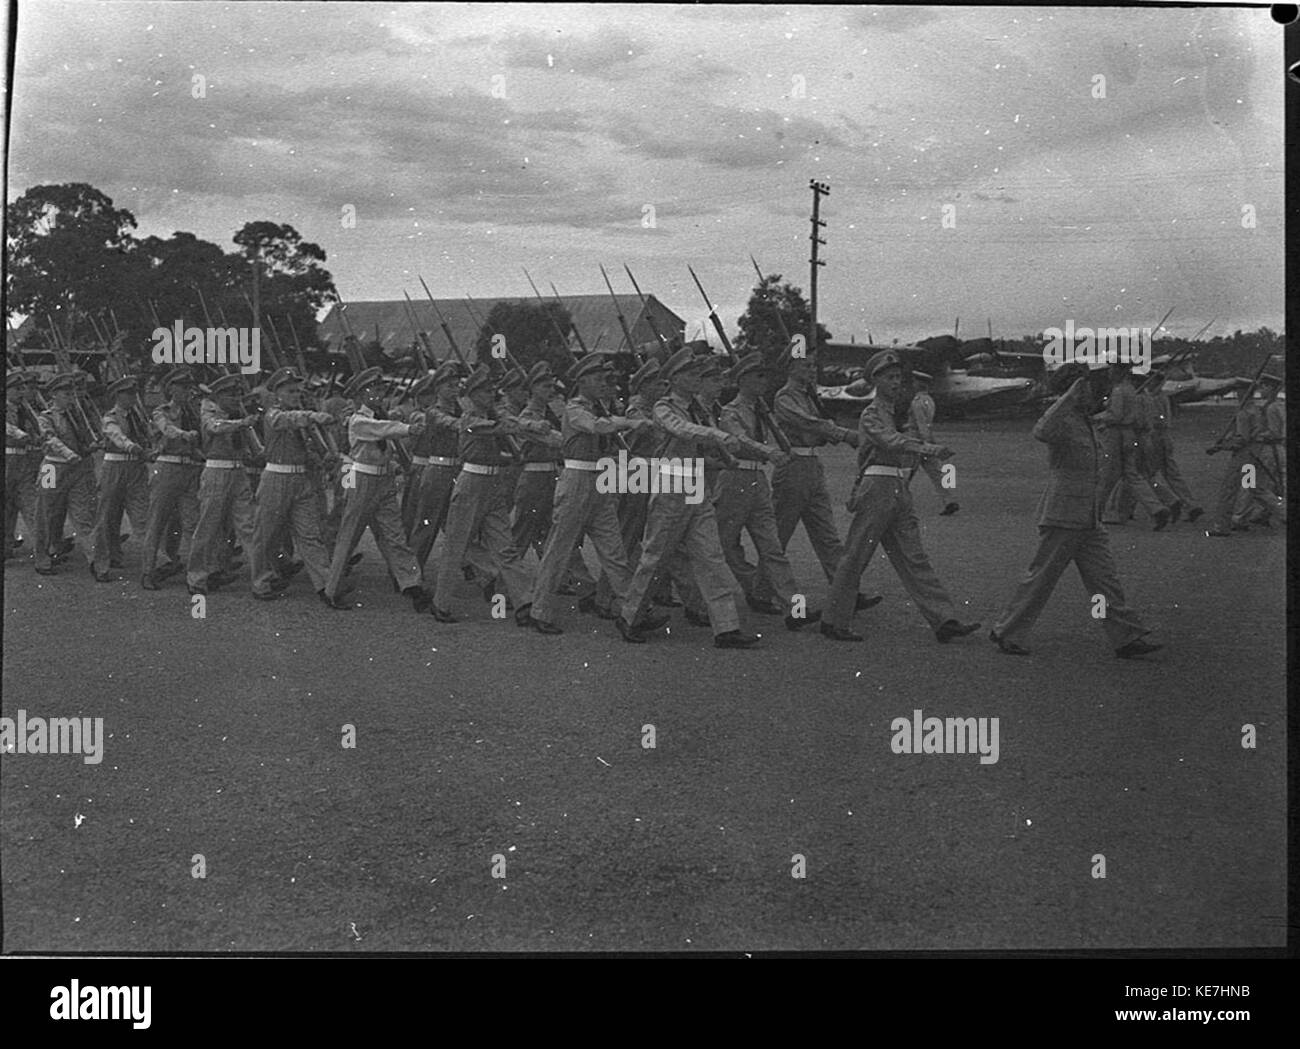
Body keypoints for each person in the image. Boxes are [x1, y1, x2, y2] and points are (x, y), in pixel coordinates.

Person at [989, 365, 1162, 658]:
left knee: (1105, 579)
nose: (1096, 392)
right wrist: (1068, 396)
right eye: (1088, 388)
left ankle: (1126, 637)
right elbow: (1041, 430)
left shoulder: (1085, 421)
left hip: (1088, 516)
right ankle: (1006, 631)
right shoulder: (1063, 420)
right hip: (1063, 514)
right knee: (1041, 578)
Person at [821, 351, 979, 643]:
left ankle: (944, 620)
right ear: (876, 381)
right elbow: (890, 441)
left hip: (897, 489)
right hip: (877, 488)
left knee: (915, 557)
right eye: (890, 377)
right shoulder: (871, 414)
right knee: (856, 556)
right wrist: (928, 449)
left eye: (898, 377)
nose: (896, 383)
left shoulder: (895, 413)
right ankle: (833, 620)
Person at [617, 348, 758, 648]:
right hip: (671, 483)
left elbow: (705, 437)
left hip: (695, 482)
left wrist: (726, 458)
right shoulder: (663, 408)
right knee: (656, 556)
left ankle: (726, 627)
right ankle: (630, 615)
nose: (697, 379)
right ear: (676, 378)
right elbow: (683, 430)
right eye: (692, 374)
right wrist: (718, 437)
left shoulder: (698, 409)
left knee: (711, 556)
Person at [520, 355, 660, 635]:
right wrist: (630, 423)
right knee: (559, 550)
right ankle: (540, 611)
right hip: (577, 481)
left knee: (614, 552)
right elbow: (598, 426)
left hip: (600, 481)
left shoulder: (600, 408)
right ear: (582, 382)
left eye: (603, 379)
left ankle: (633, 615)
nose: (602, 383)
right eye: (596, 379)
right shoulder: (575, 409)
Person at [715, 354, 820, 630]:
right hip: (734, 479)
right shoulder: (731, 411)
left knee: (773, 549)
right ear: (742, 380)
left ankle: (795, 610)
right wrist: (769, 452)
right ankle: (744, 588)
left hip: (758, 481)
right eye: (758, 376)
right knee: (723, 544)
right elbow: (739, 440)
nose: (765, 381)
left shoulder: (761, 410)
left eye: (765, 375)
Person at [430, 366, 534, 621]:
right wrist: (503, 427)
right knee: (456, 546)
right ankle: (440, 604)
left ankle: (525, 603)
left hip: (493, 485)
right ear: (474, 394)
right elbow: (480, 429)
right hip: (471, 484)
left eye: (492, 391)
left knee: (505, 547)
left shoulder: (493, 416)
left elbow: (506, 436)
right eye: (486, 391)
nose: (491, 395)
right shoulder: (468, 417)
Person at [322, 367, 430, 612]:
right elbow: (380, 429)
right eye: (374, 390)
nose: (380, 394)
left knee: (396, 536)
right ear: (361, 394)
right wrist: (407, 429)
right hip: (362, 480)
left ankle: (412, 585)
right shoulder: (358, 421)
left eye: (381, 389)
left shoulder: (379, 416)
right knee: (349, 536)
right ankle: (332, 589)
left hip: (383, 481)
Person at [249, 369, 340, 603]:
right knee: (266, 534)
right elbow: (285, 420)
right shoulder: (274, 415)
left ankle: (327, 586)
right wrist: (313, 416)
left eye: (298, 391)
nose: (296, 395)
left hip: (300, 480)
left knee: (310, 534)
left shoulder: (299, 419)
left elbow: (306, 448)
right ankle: (261, 581)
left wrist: (322, 455)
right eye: (290, 391)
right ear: (277, 394)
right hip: (276, 479)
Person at [186, 374, 260, 596]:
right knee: (208, 526)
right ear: (218, 396)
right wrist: (241, 423)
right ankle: (197, 578)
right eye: (231, 394)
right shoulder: (209, 412)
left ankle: (262, 580)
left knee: (248, 526)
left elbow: (254, 446)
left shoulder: (239, 415)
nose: (237, 398)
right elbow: (213, 428)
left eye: (238, 394)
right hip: (217, 470)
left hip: (238, 471)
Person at [33, 373, 103, 577]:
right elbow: (50, 438)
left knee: (84, 516)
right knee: (46, 514)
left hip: (77, 469)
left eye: (72, 394)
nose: (71, 398)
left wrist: (92, 445)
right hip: (52, 468)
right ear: (54, 395)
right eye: (66, 394)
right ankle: (42, 559)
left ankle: (97, 563)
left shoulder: (77, 416)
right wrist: (68, 453)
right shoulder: (45, 416)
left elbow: (87, 436)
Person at [140, 368, 204, 589]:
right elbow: (166, 429)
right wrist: (183, 434)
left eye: (189, 387)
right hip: (167, 467)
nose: (187, 391)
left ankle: (195, 575)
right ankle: (148, 571)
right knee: (157, 521)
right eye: (183, 387)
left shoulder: (193, 412)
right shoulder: (161, 411)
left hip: (189, 469)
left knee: (192, 523)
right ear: (171, 389)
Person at [1094, 363, 1170, 530]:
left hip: (1116, 435)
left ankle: (1095, 514)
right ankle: (1157, 509)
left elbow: (1115, 415)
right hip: (1130, 435)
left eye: (1112, 369)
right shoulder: (1131, 391)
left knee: (1106, 476)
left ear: (1119, 371)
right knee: (1132, 475)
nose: (1109, 372)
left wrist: (1097, 417)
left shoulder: (1120, 390)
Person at [91, 374, 152, 581]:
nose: (133, 397)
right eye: (128, 394)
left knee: (142, 515)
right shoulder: (110, 417)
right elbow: (116, 435)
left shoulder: (138, 416)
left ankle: (155, 564)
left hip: (136, 468)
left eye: (135, 393)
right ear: (118, 395)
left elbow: (147, 434)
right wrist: (133, 447)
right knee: (107, 517)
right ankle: (101, 564)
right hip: (115, 466)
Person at [906, 371, 959, 515]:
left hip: (917, 440)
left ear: (918, 384)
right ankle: (949, 500)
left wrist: (926, 444)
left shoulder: (916, 402)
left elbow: (921, 424)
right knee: (937, 473)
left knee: (906, 473)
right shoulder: (929, 401)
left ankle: (896, 502)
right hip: (926, 439)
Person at [5, 372, 44, 561]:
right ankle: (5, 548)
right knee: (7, 508)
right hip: (7, 460)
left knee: (32, 507)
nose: (21, 393)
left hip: (26, 462)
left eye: (23, 389)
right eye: (17, 389)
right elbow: (8, 428)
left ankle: (43, 555)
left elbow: (39, 427)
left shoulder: (25, 409)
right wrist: (22, 435)